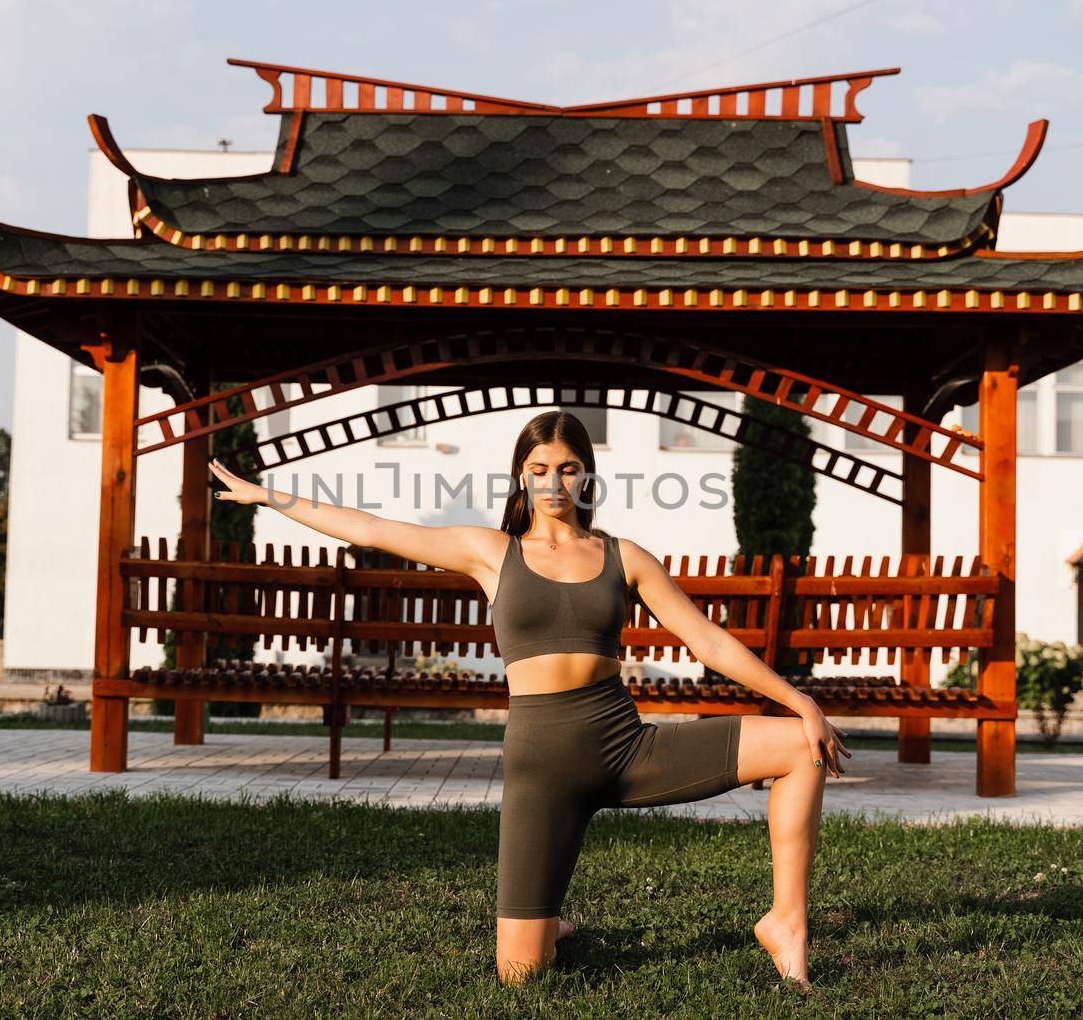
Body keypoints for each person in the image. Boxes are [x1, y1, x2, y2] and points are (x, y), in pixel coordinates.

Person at [207, 410, 848, 988]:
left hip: (626, 748)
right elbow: (372, 528)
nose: (553, 481)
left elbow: (707, 640)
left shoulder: (624, 557)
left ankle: (785, 921)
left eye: (568, 468)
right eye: (539, 469)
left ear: (586, 477)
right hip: (541, 771)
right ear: (521, 478)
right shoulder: (491, 552)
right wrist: (269, 496)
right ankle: (549, 926)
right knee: (520, 975)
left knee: (800, 746)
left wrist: (800, 701)